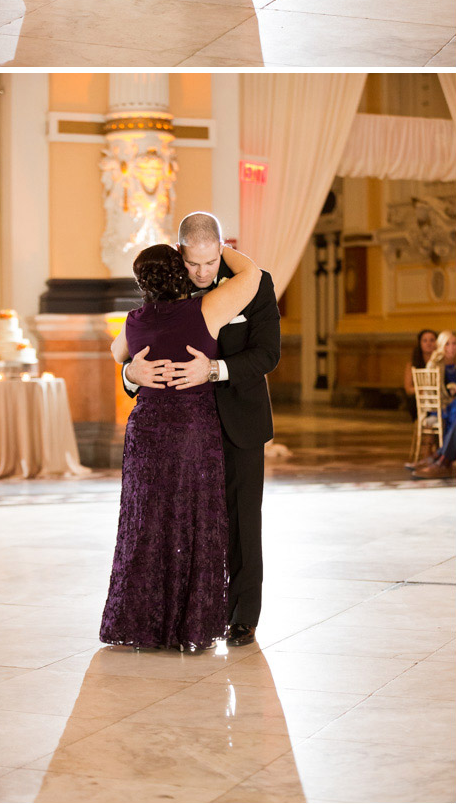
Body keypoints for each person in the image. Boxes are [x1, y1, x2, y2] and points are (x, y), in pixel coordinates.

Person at [118, 211, 281, 646]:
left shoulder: (254, 285)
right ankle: (186, 613)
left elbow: (267, 355)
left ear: (222, 248)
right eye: (194, 264)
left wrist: (215, 370)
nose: (203, 273)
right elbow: (129, 349)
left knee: (242, 520)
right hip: (182, 430)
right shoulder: (171, 286)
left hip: (238, 421)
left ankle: (243, 615)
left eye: (211, 263)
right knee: (182, 523)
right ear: (180, 254)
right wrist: (132, 375)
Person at [413, 329, 456, 480]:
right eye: (447, 344)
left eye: (455, 343)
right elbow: (430, 392)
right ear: (442, 346)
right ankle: (442, 459)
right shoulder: (436, 363)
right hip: (439, 406)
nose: (451, 348)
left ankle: (440, 456)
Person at [404, 327, 438, 419]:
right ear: (420, 343)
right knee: (412, 401)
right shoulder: (412, 364)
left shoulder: (441, 362)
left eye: (432, 340)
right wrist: (424, 391)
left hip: (438, 396)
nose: (429, 343)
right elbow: (408, 389)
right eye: (425, 340)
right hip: (421, 398)